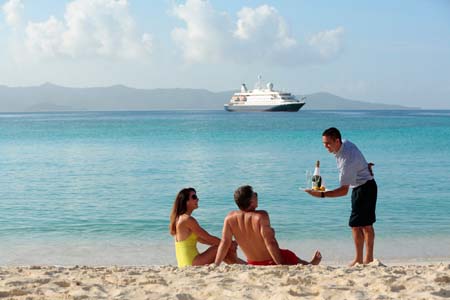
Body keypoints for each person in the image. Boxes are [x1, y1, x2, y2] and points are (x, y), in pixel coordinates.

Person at [305, 127, 377, 266]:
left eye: (328, 143)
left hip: (365, 188)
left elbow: (343, 191)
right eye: (324, 143)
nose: (325, 147)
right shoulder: (345, 143)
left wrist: (321, 195)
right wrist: (364, 165)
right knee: (357, 225)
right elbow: (358, 158)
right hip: (361, 186)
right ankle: (362, 259)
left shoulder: (346, 161)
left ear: (337, 141)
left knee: (363, 225)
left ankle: (366, 259)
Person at [215, 185, 322, 266]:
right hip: (270, 261)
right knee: (288, 254)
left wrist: (216, 264)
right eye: (255, 194)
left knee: (286, 254)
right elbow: (270, 243)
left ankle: (309, 264)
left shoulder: (229, 218)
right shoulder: (261, 216)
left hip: (253, 262)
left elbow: (224, 243)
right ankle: (309, 265)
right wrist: (280, 264)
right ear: (251, 201)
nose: (257, 196)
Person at [169, 187, 243, 268]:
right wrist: (228, 244)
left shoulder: (179, 219)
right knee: (221, 248)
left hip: (184, 263)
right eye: (194, 197)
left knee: (223, 249)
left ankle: (243, 265)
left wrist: (227, 244)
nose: (197, 199)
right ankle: (244, 265)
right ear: (186, 201)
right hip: (191, 262)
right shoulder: (187, 219)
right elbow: (208, 237)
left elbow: (203, 240)